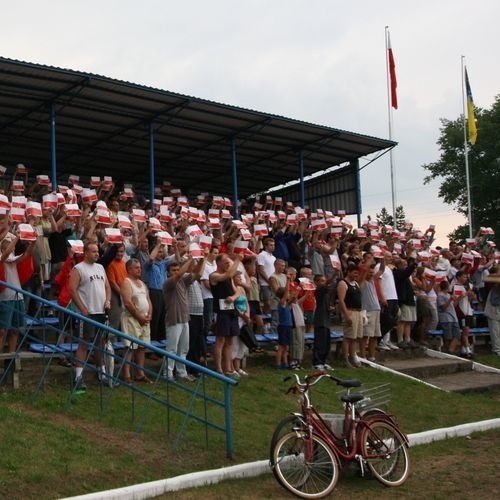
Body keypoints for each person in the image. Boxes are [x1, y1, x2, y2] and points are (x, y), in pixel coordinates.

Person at [69, 242, 112, 391]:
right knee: (84, 344)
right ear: (85, 252)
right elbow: (72, 290)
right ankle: (78, 376)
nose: (97, 254)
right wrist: (82, 309)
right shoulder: (78, 268)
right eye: (93, 251)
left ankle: (102, 373)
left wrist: (107, 300)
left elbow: (107, 286)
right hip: (88, 313)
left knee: (100, 343)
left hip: (101, 311)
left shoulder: (100, 268)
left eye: (97, 252)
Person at [163, 257, 205, 382]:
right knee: (172, 348)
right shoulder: (168, 283)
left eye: (177, 269)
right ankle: (168, 373)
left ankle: (181, 372)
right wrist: (191, 258)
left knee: (183, 348)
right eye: (173, 270)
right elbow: (180, 274)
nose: (176, 272)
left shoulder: (183, 282)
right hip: (174, 318)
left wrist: (202, 259)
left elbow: (197, 274)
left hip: (184, 318)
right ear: (168, 273)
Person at [209, 253, 242, 377]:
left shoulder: (229, 278)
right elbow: (227, 275)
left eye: (230, 263)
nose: (229, 265)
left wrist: (233, 297)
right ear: (219, 263)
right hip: (220, 312)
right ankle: (218, 368)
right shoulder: (214, 276)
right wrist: (237, 259)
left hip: (231, 311)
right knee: (220, 340)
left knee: (229, 341)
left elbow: (238, 291)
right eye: (226, 263)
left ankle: (228, 368)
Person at [120, 258, 153, 383]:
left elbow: (148, 299)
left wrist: (149, 314)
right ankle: (126, 374)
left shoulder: (142, 283)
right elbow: (128, 302)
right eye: (136, 267)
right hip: (132, 319)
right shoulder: (126, 282)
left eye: (140, 267)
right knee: (130, 347)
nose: (140, 269)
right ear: (129, 269)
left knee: (142, 347)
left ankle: (140, 373)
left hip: (144, 319)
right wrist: (138, 316)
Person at [336, 263, 365, 368]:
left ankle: (353, 356)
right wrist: (346, 315)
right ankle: (345, 359)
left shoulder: (356, 284)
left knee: (354, 337)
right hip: (349, 311)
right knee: (348, 337)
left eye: (357, 273)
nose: (356, 275)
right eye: (354, 273)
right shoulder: (343, 284)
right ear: (348, 272)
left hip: (358, 312)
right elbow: (341, 300)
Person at [436, 280, 461, 354]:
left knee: (457, 335)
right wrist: (450, 300)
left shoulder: (449, 295)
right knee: (448, 336)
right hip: (446, 318)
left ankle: (450, 350)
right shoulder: (440, 295)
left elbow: (453, 305)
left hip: (453, 317)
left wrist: (459, 298)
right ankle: (449, 351)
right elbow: (443, 307)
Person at [256, 237, 276, 315]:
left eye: (274, 245)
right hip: (265, 283)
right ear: (265, 246)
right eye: (271, 245)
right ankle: (265, 318)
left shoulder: (274, 257)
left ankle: (269, 319)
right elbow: (261, 270)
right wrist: (269, 280)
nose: (273, 247)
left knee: (272, 302)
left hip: (273, 282)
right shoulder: (262, 255)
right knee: (266, 302)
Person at [483, 273, 500, 356]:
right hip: (493, 313)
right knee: (495, 333)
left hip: (498, 313)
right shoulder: (495, 289)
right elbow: (494, 301)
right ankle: (496, 351)